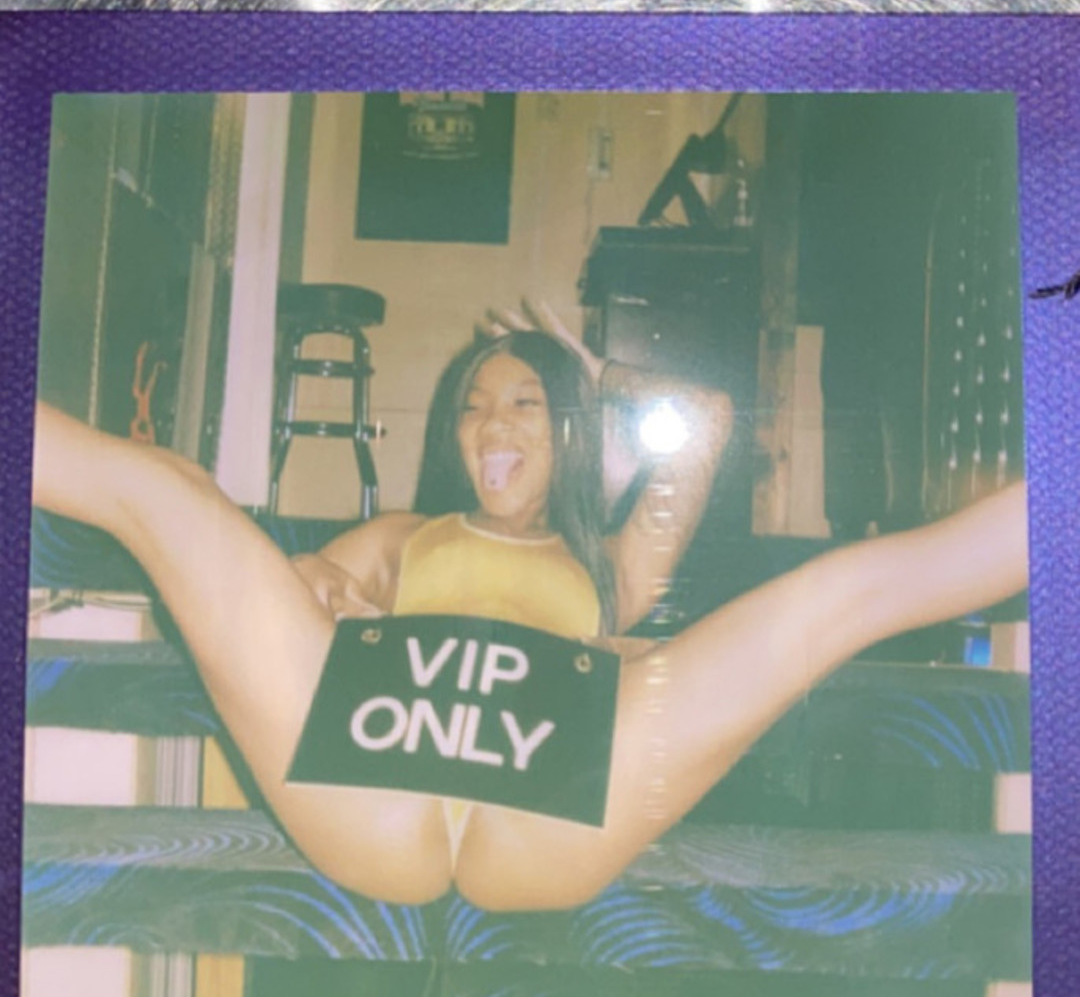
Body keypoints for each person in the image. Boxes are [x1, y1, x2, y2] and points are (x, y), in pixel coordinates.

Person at [32, 305, 1028, 912]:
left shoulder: (612, 566)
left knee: (834, 595)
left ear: (572, 427)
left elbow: (709, 419)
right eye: (473, 404)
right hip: (374, 779)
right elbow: (288, 604)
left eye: (524, 402)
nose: (491, 424)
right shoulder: (404, 537)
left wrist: (598, 373)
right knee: (168, 492)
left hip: (547, 801)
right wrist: (322, 591)